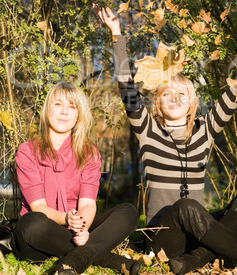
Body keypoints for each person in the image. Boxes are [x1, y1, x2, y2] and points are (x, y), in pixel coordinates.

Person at [94, 3, 237, 274]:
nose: (174, 98)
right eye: (167, 94)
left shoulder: (204, 129)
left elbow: (235, 93)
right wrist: (117, 33)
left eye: (181, 94)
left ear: (191, 103)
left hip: (197, 231)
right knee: (187, 206)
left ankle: (192, 260)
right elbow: (127, 88)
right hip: (164, 235)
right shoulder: (148, 130)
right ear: (158, 103)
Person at [13, 82, 141, 275]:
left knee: (128, 212)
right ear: (47, 109)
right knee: (31, 223)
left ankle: (74, 260)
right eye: (58, 104)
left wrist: (82, 228)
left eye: (72, 106)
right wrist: (67, 218)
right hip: (39, 236)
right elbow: (38, 207)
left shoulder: (89, 153)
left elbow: (88, 204)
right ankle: (111, 261)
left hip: (75, 232)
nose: (64, 112)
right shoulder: (27, 151)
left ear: (79, 115)